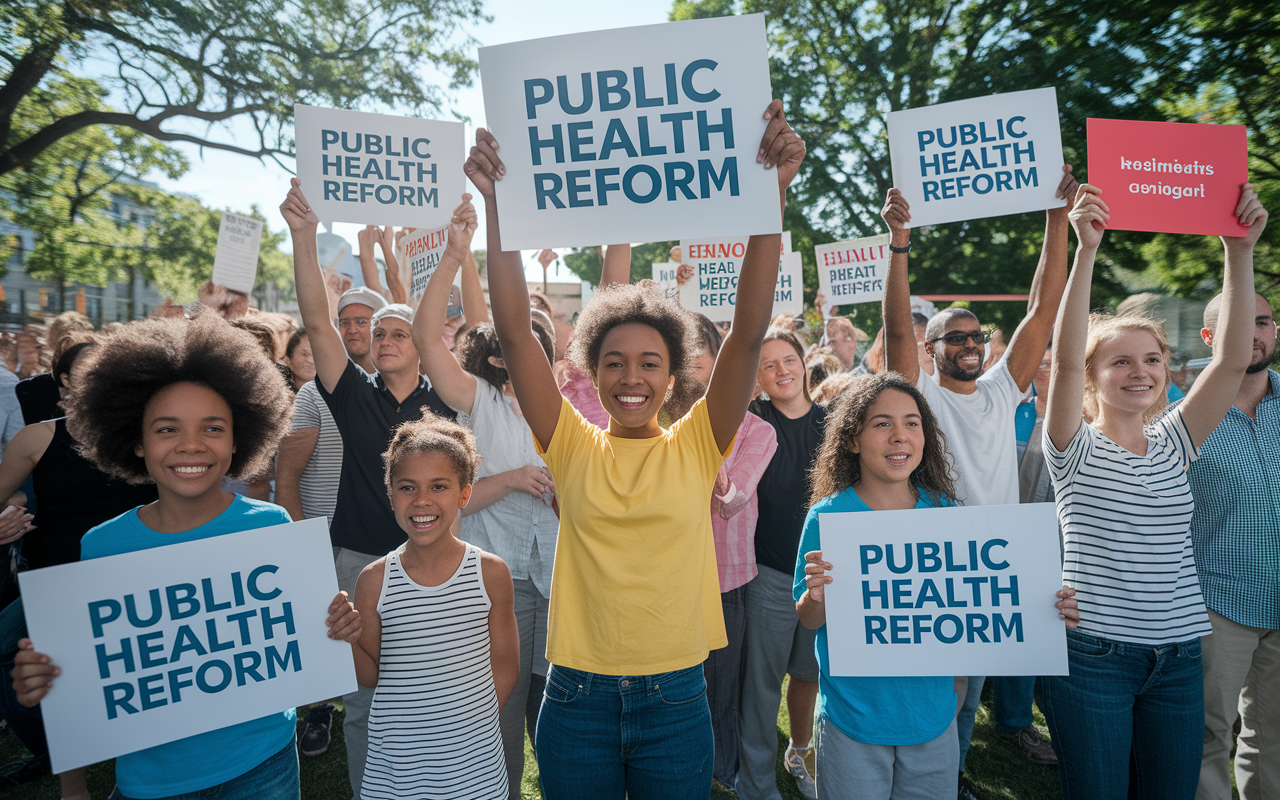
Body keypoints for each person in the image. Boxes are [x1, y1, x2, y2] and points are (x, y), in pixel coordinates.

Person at [465, 98, 806, 799]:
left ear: (673, 373)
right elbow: (511, 327)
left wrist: (771, 198)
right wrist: (498, 207)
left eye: (650, 362)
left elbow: (745, 333)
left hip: (677, 701)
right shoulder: (569, 442)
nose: (631, 377)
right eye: (615, 361)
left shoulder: (699, 444)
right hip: (576, 701)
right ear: (592, 370)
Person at [10, 313, 363, 800]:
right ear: (135, 441)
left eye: (213, 427)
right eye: (167, 429)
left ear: (241, 438)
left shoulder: (272, 527)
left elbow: (308, 675)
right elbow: (87, 686)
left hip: (266, 768)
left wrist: (335, 631)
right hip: (151, 782)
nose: (191, 445)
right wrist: (49, 684)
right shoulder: (101, 545)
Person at [1040, 183, 1266, 799]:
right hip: (1094, 661)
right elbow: (1060, 360)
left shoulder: (1177, 441)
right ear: (1092, 379)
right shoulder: (1074, 448)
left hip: (1179, 662)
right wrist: (1086, 251)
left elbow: (1226, 361)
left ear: (1167, 370)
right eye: (1119, 361)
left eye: (1151, 359)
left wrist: (1238, 252)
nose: (1139, 371)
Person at [881, 166, 1079, 792]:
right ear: (931, 345)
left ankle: (951, 771)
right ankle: (932, 772)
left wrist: (1054, 218)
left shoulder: (1000, 389)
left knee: (970, 691)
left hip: (997, 554)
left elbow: (1044, 308)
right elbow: (892, 334)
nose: (971, 342)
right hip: (937, 551)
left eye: (978, 334)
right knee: (946, 682)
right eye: (956, 336)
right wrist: (900, 244)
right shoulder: (919, 399)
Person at [796, 373, 1079, 800]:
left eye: (912, 423)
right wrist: (816, 595)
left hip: (933, 721)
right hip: (853, 718)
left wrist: (1043, 603)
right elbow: (808, 617)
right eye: (881, 424)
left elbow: (976, 599)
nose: (899, 436)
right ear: (852, 440)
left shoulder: (944, 510)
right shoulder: (827, 516)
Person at [281, 181, 455, 796]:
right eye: (375, 335)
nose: (381, 340)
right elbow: (316, 322)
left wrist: (459, 250)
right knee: (362, 696)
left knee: (438, 691)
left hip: (437, 565)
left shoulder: (450, 403)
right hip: (359, 562)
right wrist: (304, 237)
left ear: (421, 345)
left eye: (396, 333)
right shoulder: (353, 394)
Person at [410, 196, 560, 800]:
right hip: (497, 581)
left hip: (561, 581)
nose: (537, 353)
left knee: (557, 713)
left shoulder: (569, 409)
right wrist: (454, 254)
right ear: (499, 359)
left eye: (544, 343)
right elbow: (427, 338)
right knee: (500, 703)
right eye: (525, 343)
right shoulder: (480, 402)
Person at [0, 336, 159, 800]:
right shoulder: (39, 436)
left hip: (135, 578)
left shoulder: (143, 434)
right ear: (65, 381)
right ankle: (73, 785)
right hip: (58, 580)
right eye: (90, 367)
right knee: (56, 679)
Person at [351, 415, 520, 799]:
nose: (422, 501)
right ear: (390, 494)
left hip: (474, 770)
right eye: (407, 487)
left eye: (438, 487)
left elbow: (506, 664)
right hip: (395, 771)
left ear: (464, 494)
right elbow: (370, 675)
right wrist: (346, 638)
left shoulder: (491, 573)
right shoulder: (373, 580)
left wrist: (470, 729)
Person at [276, 286, 388, 760]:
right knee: (334, 637)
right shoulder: (314, 393)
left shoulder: (397, 387)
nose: (354, 329)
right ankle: (319, 712)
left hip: (385, 540)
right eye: (346, 321)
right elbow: (287, 476)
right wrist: (306, 544)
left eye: (365, 321)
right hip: (331, 540)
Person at [1187, 290, 1279, 800]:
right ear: (1210, 339)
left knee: (1274, 741)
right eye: (1238, 325)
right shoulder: (1184, 423)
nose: (1254, 335)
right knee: (1207, 738)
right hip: (1217, 606)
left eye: (1262, 322)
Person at [690, 312, 779, 788]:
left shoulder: (756, 431)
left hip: (726, 579)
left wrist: (702, 440)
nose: (690, 362)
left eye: (698, 350)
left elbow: (730, 500)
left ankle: (719, 774)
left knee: (720, 687)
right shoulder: (650, 425)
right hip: (666, 578)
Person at [738, 327, 824, 800]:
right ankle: (756, 785)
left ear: (804, 362)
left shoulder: (835, 424)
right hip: (769, 574)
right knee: (762, 687)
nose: (780, 371)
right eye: (767, 364)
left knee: (809, 674)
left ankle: (801, 750)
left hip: (822, 577)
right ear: (758, 377)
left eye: (787, 359)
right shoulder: (749, 420)